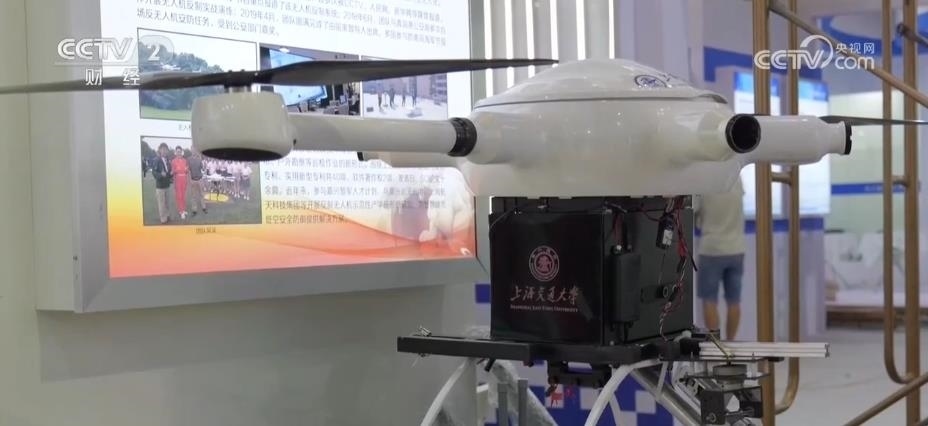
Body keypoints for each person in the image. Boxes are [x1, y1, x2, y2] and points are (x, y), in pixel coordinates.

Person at [694, 177, 746, 341]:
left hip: (711, 249)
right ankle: (731, 343)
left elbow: (694, 213)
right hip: (736, 248)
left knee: (709, 300)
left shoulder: (704, 181)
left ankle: (717, 344)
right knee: (734, 301)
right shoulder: (736, 178)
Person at [150, 143, 173, 224]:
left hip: (167, 185)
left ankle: (167, 215)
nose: (164, 151)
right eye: (163, 149)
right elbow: (154, 172)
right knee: (161, 204)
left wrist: (171, 174)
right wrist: (160, 175)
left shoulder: (167, 160)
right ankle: (163, 219)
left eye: (166, 149)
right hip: (160, 186)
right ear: (160, 150)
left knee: (167, 203)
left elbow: (168, 173)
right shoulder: (157, 160)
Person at [171, 146, 190, 219]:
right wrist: (177, 170)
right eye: (177, 152)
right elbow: (173, 172)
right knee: (179, 196)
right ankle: (181, 211)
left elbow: (186, 170)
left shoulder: (185, 160)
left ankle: (183, 210)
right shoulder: (173, 161)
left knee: (183, 196)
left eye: (180, 151)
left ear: (182, 152)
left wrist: (186, 169)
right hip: (178, 180)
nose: (179, 153)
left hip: (184, 179)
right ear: (176, 152)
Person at [187, 151, 207, 215]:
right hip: (193, 180)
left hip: (200, 179)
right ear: (191, 150)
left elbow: (202, 169)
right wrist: (190, 179)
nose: (194, 151)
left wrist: (204, 166)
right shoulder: (189, 159)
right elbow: (188, 170)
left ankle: (204, 207)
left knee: (202, 194)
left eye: (195, 150)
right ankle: (194, 210)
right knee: (193, 196)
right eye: (192, 149)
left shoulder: (199, 159)